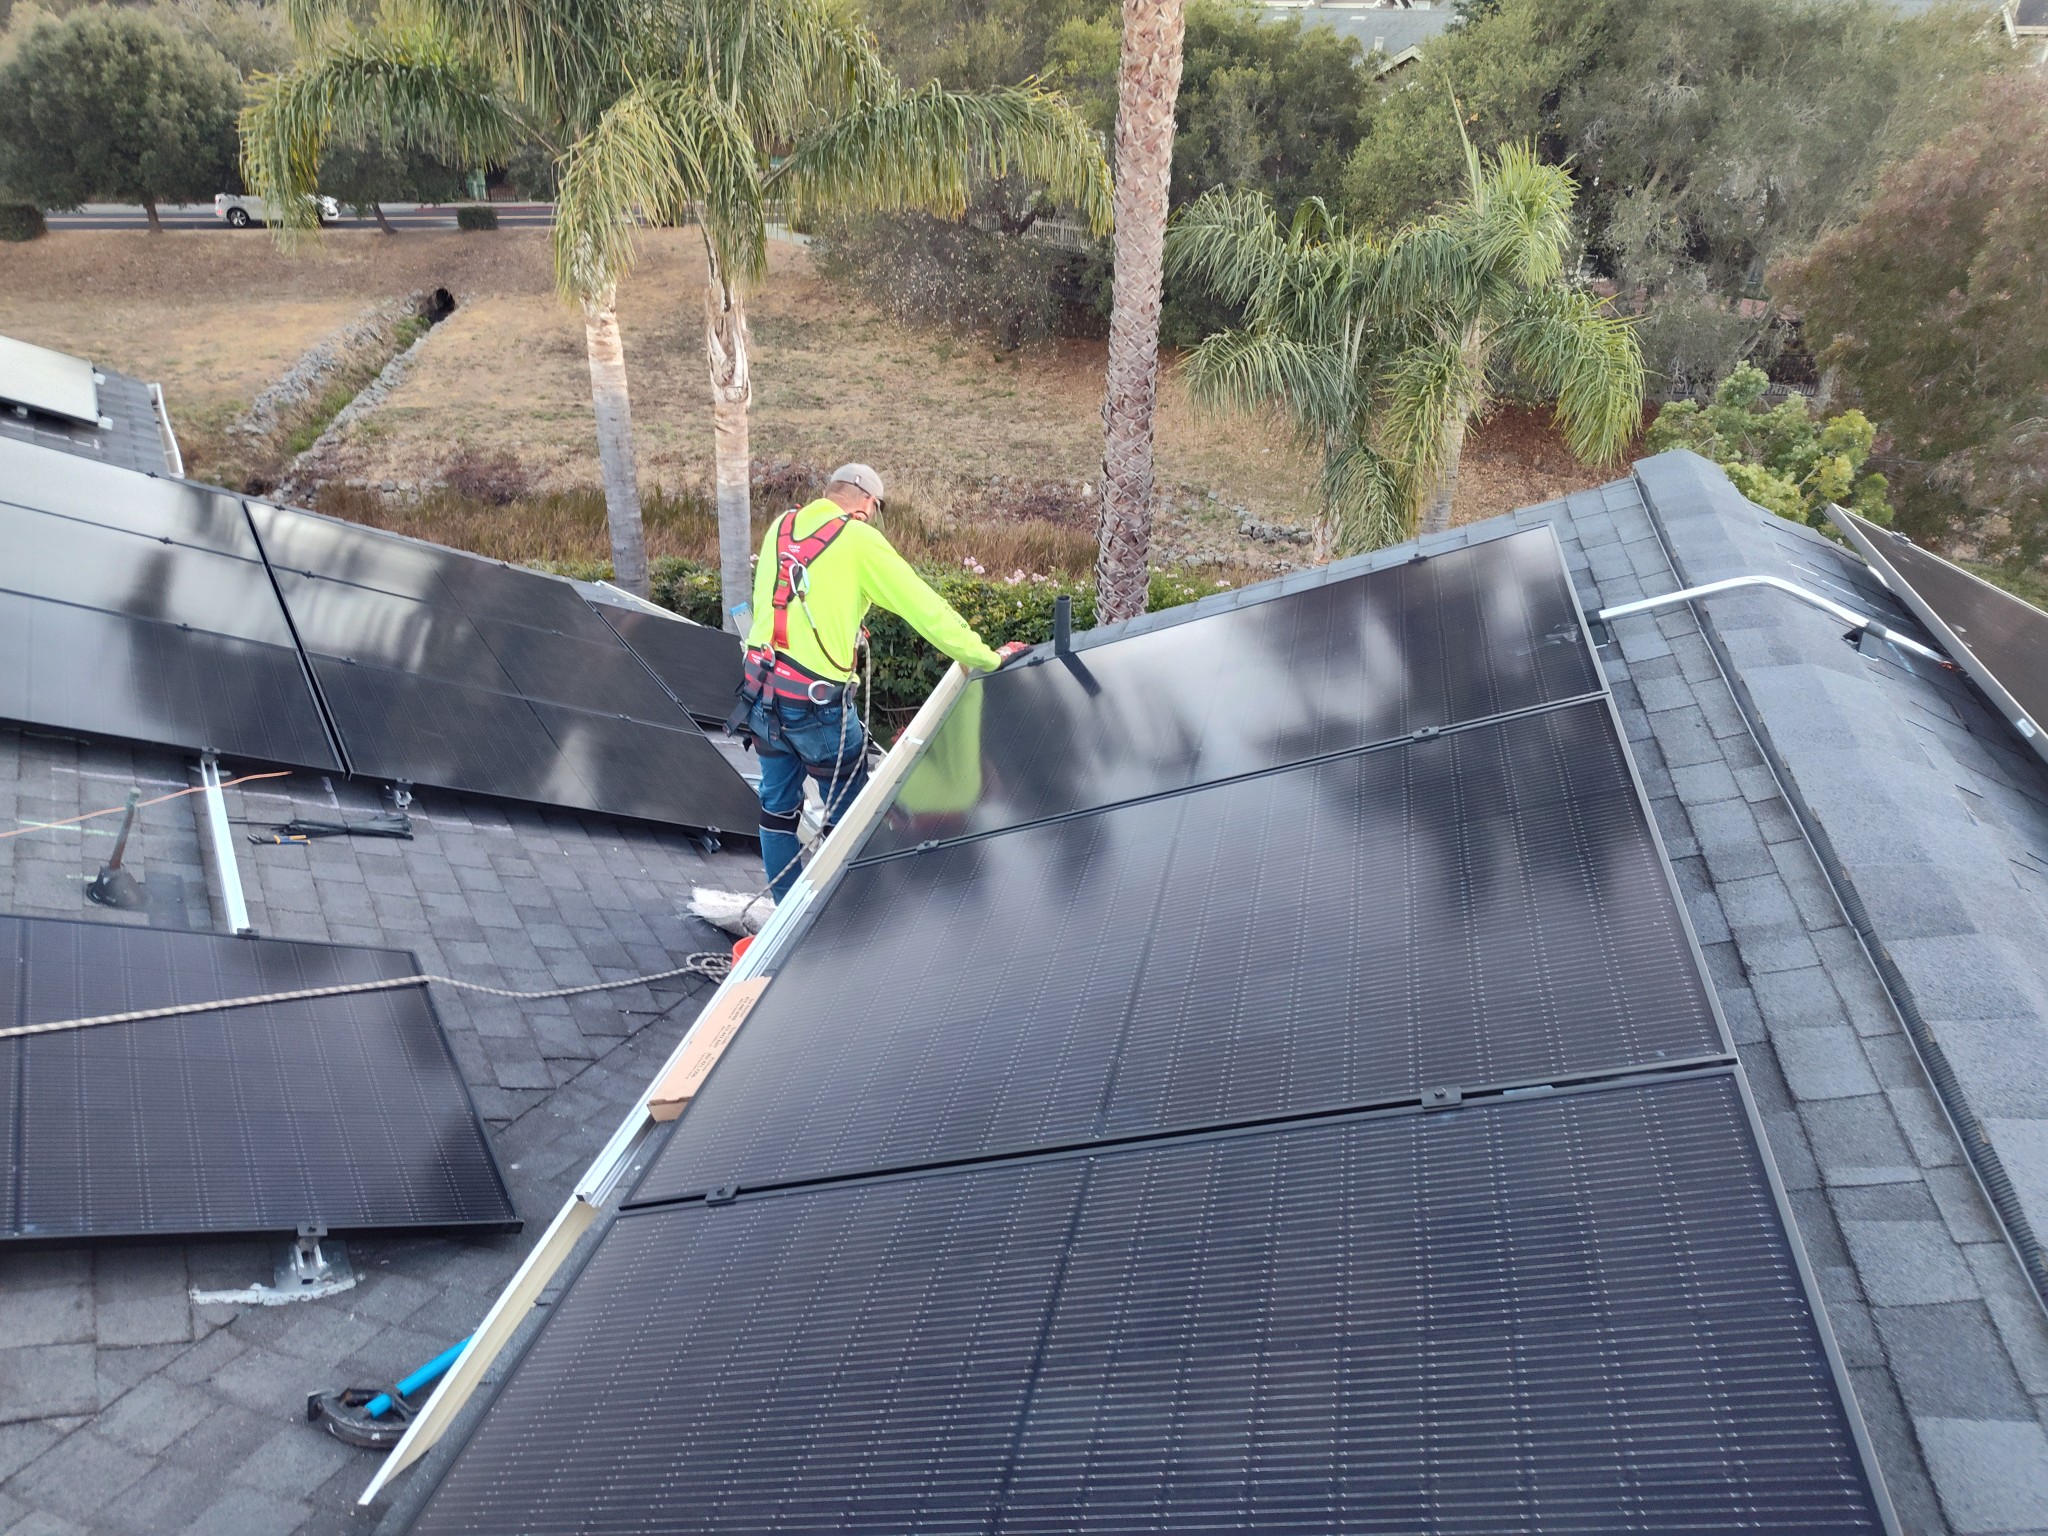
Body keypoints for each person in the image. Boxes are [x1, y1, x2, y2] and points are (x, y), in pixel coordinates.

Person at [729, 463, 1026, 899]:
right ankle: (845, 919)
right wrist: (984, 656)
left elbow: (773, 603)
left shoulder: (783, 525)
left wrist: (844, 624)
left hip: (761, 694)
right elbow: (925, 608)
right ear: (868, 504)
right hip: (815, 707)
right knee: (853, 820)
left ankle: (784, 917)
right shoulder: (860, 539)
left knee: (777, 813)